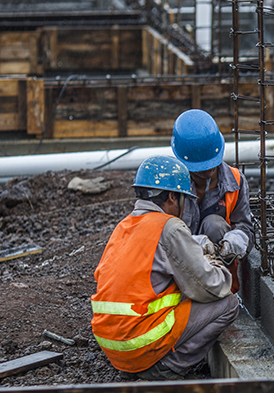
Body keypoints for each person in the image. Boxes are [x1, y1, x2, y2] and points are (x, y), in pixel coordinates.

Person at [91, 155, 239, 381]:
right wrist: (215, 262)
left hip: (111, 344)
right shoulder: (168, 227)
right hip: (138, 342)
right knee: (227, 304)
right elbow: (211, 287)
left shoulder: (123, 226)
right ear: (172, 197)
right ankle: (168, 367)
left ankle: (138, 364)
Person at [171, 109, 255, 292]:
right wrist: (190, 244)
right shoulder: (171, 184)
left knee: (214, 225)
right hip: (177, 264)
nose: (208, 170)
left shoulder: (235, 181)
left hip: (218, 270)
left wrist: (238, 239)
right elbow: (158, 232)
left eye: (211, 164)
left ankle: (219, 290)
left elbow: (246, 227)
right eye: (200, 167)